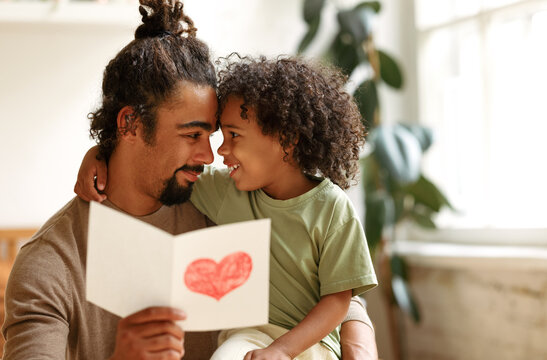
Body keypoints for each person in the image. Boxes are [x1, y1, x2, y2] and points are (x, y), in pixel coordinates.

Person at [4, 1, 378, 360]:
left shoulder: (225, 204)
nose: (211, 156)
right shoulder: (50, 265)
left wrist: (358, 338)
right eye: (191, 135)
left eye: (215, 135)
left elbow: (323, 285)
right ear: (129, 125)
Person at [76, 56, 378, 359]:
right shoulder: (226, 192)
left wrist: (282, 351)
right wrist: (99, 153)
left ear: (286, 140)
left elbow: (339, 302)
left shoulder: (333, 209)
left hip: (313, 344)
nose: (218, 151)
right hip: (248, 337)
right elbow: (162, 167)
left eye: (234, 135)